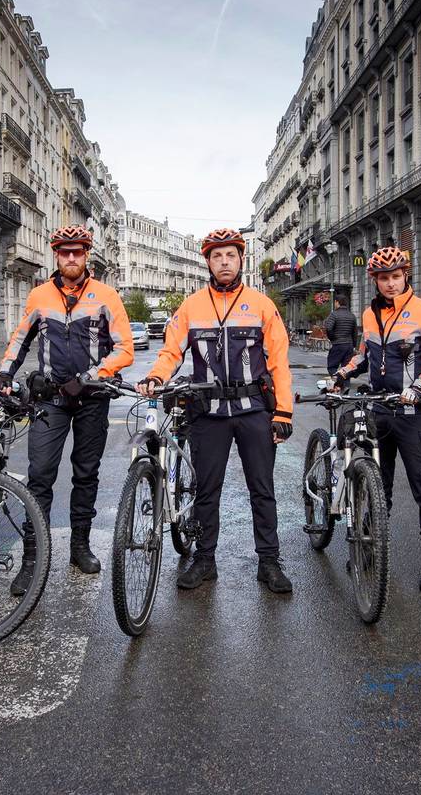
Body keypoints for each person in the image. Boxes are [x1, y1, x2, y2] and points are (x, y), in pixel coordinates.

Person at [139, 228, 295, 594]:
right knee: (207, 490)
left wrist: (283, 413)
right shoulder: (191, 306)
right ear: (207, 262)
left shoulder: (261, 305)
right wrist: (156, 376)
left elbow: (279, 363)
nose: (224, 262)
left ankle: (269, 562)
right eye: (217, 256)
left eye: (231, 255)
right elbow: (170, 352)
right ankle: (205, 560)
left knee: (262, 488)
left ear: (241, 260)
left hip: (254, 409)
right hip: (206, 413)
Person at [0, 225, 134, 595]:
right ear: (55, 255)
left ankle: (80, 547)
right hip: (50, 399)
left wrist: (91, 375)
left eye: (77, 252)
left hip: (92, 397)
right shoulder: (39, 295)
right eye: (64, 252)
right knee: (39, 475)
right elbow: (19, 340)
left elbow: (124, 350)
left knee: (86, 474)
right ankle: (32, 560)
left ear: (86, 255)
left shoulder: (106, 295)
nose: (71, 258)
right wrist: (4, 374)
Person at [332, 247, 421, 591]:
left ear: (406, 276)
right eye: (383, 278)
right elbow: (363, 355)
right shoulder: (370, 316)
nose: (390, 284)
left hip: (414, 415)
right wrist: (343, 374)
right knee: (377, 486)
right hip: (379, 413)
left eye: (396, 277)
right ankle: (369, 547)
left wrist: (419, 387)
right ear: (375, 280)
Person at [323, 294, 356, 375]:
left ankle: (337, 384)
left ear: (337, 302)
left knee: (332, 366)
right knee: (346, 368)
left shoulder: (334, 314)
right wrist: (354, 345)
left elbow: (328, 328)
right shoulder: (352, 316)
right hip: (349, 345)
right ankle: (346, 385)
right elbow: (354, 332)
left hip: (338, 344)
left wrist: (332, 338)